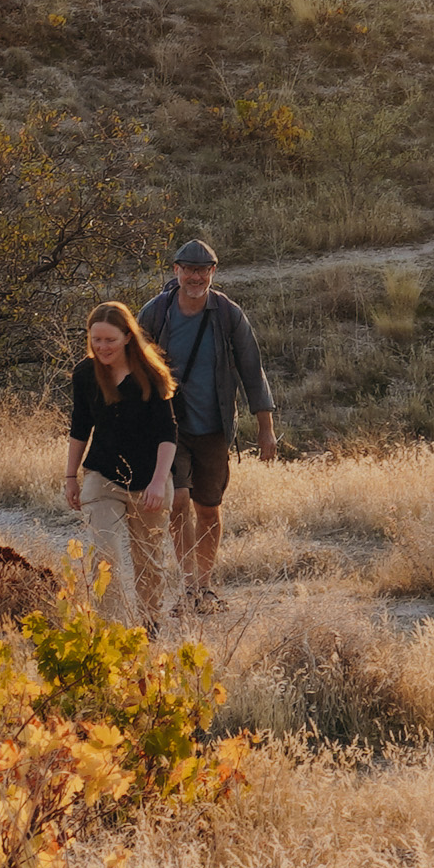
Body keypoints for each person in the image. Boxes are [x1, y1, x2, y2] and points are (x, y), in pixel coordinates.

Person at [139, 237, 275, 612]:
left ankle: (204, 586)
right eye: (189, 269)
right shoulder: (156, 312)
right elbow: (132, 364)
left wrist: (265, 428)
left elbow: (252, 370)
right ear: (176, 271)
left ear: (213, 272)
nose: (195, 277)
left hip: (214, 426)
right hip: (170, 426)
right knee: (179, 500)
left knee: (209, 508)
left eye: (203, 270)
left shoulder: (229, 314)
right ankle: (187, 587)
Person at [61, 299, 180, 631]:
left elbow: (167, 433)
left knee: (149, 562)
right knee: (106, 554)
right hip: (102, 475)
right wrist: (71, 476)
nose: (102, 347)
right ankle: (110, 631)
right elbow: (80, 426)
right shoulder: (86, 374)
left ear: (128, 336)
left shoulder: (152, 375)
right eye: (95, 340)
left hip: (149, 478)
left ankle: (149, 625)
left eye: (109, 340)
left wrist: (159, 482)